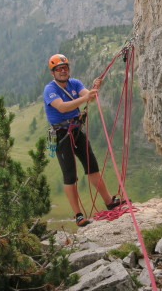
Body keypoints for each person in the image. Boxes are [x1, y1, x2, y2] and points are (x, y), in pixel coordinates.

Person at [43, 53, 124, 227]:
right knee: (70, 175)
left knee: (92, 167)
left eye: (65, 68)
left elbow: (90, 97)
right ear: (53, 73)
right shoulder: (50, 89)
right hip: (61, 135)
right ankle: (78, 215)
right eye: (59, 69)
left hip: (76, 131)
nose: (63, 71)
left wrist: (94, 89)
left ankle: (109, 201)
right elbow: (62, 107)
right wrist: (85, 98)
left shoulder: (75, 83)